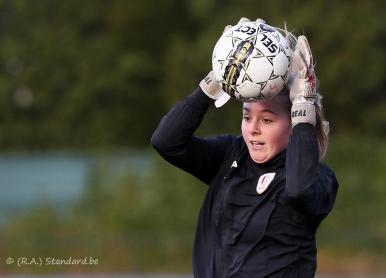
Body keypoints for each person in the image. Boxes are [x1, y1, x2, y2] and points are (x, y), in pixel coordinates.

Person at [151, 18, 339, 278]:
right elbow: (166, 141)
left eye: (267, 120)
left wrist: (304, 106)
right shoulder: (231, 155)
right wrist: (218, 77)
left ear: (293, 122)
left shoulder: (317, 177)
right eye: (247, 116)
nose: (253, 129)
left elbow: (299, 192)